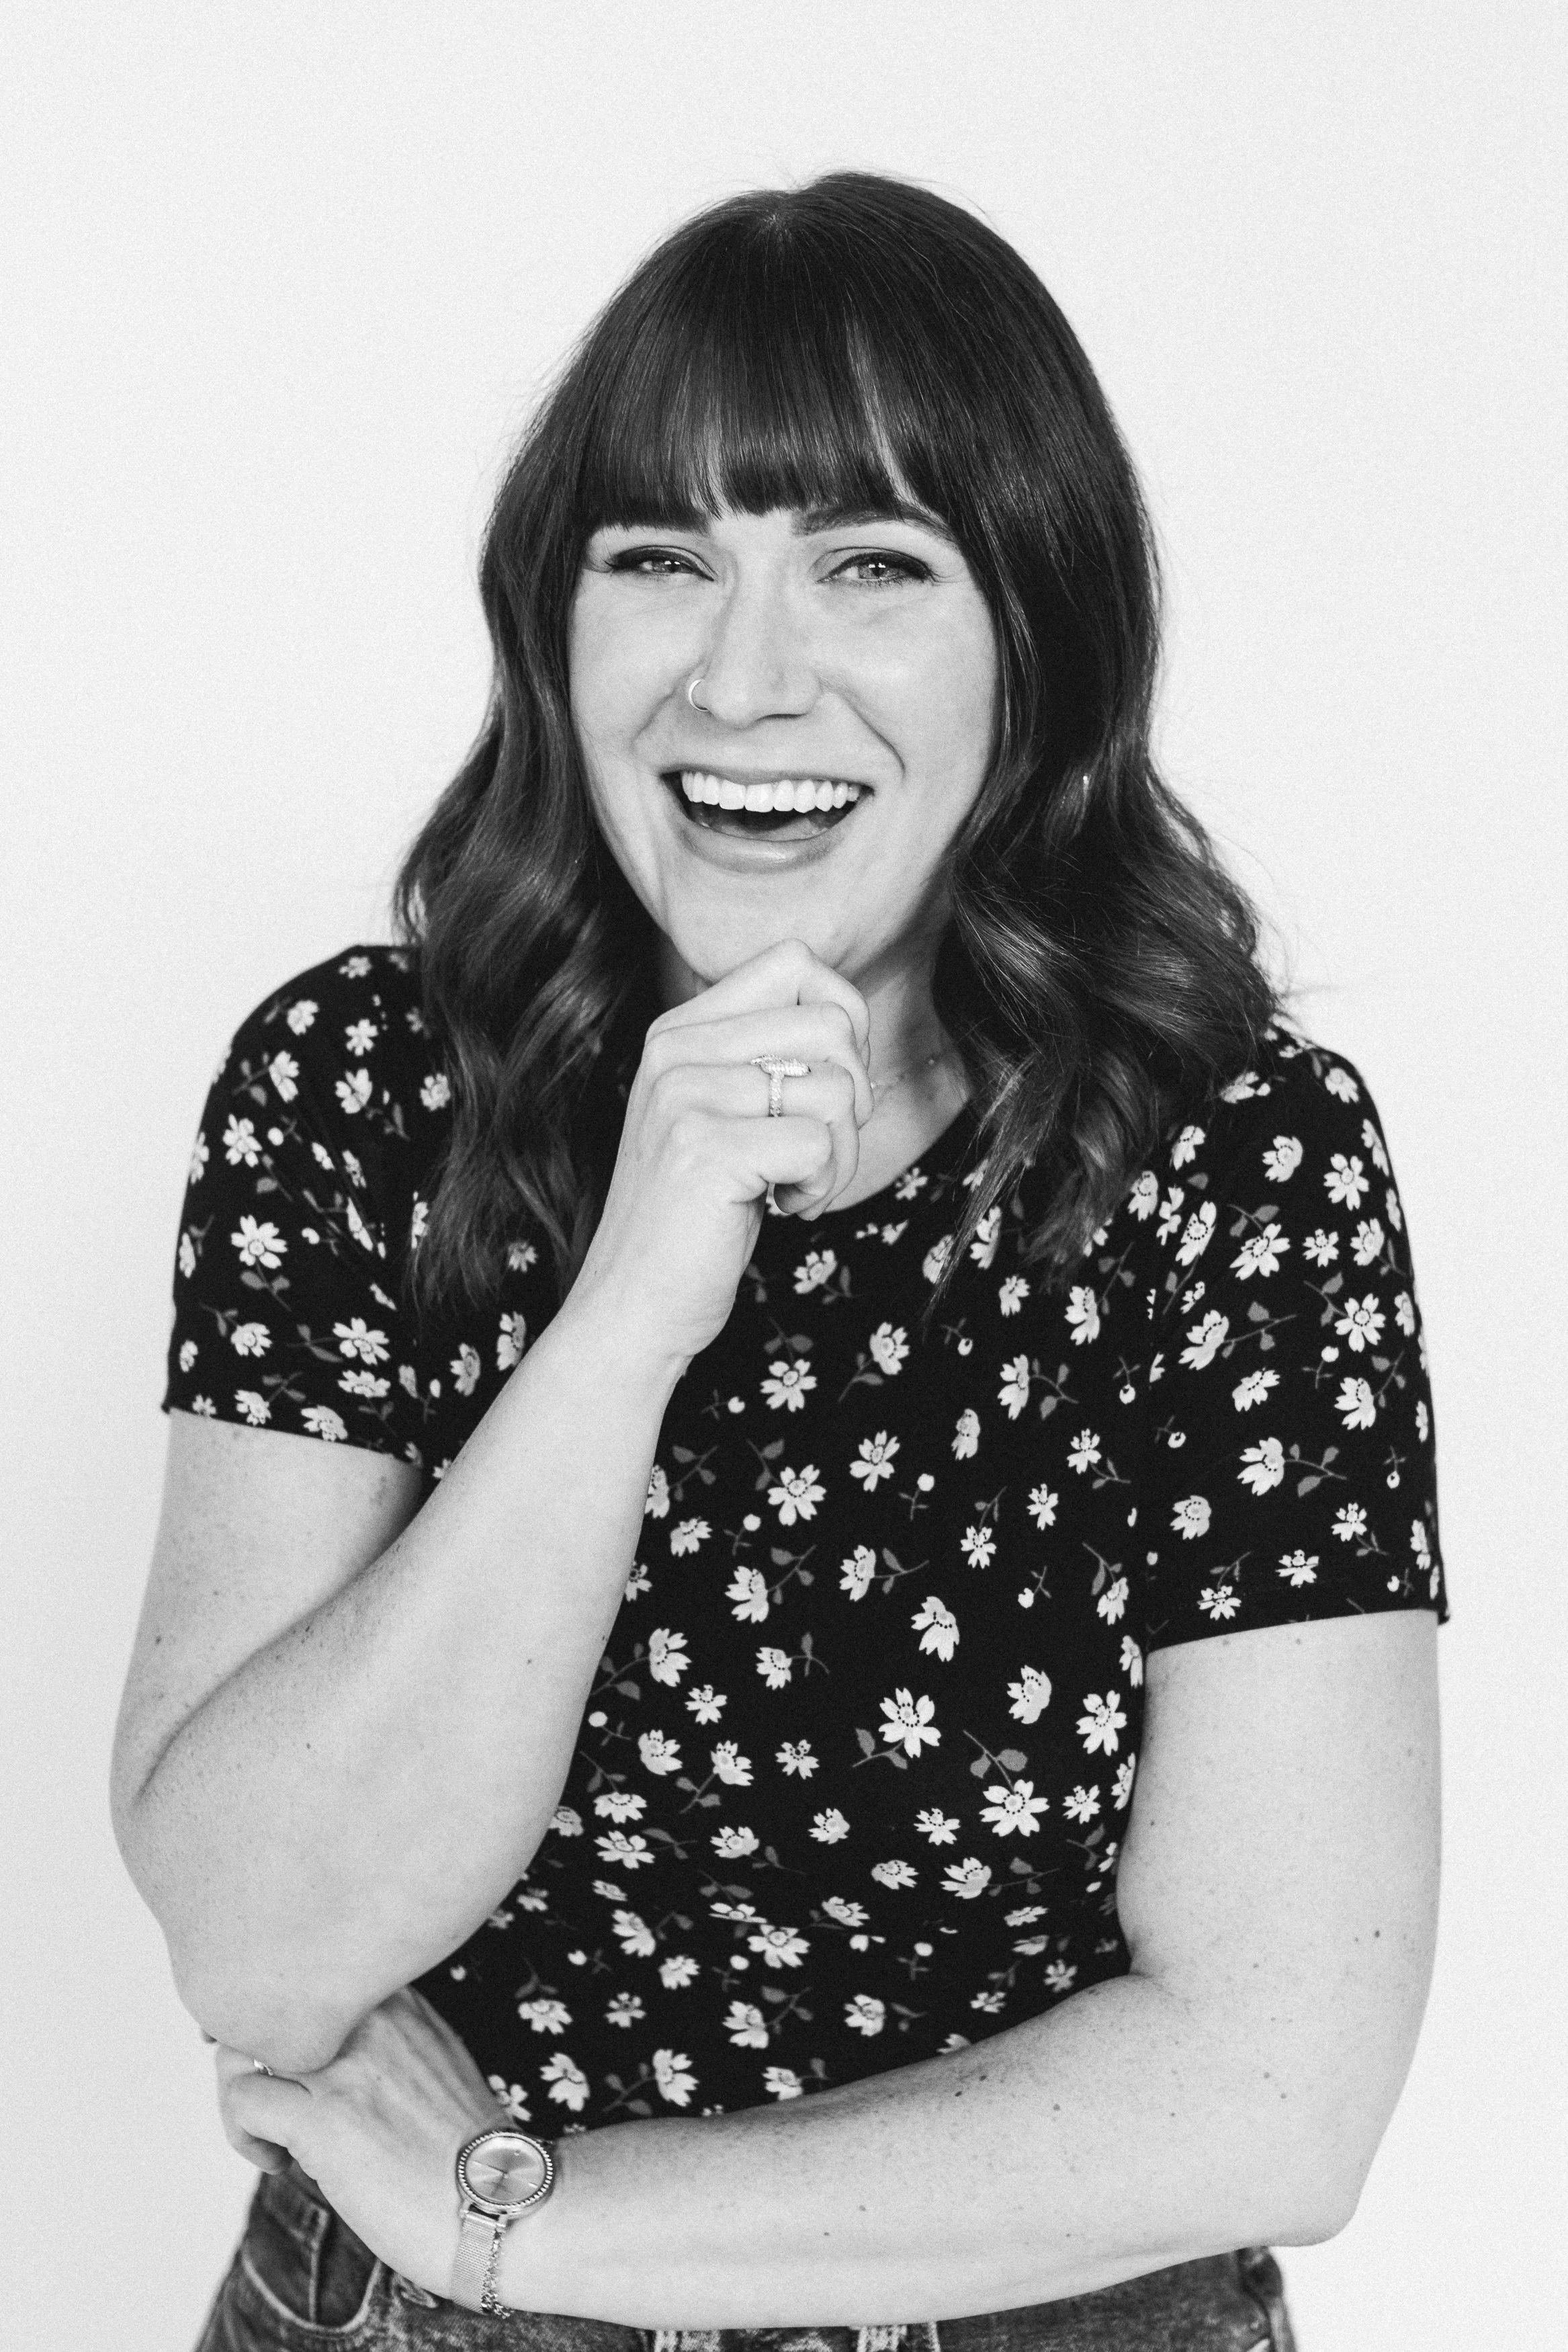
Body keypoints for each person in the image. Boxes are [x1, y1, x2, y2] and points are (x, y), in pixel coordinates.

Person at [112, 172, 1444, 2349]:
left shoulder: (1237, 1165)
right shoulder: (360, 1087)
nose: (744, 678)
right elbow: (262, 1949)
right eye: (660, 560)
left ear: (1042, 641)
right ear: (555, 623)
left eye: (869, 566)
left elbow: (1271, 2090)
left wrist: (510, 2225)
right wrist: (635, 1296)